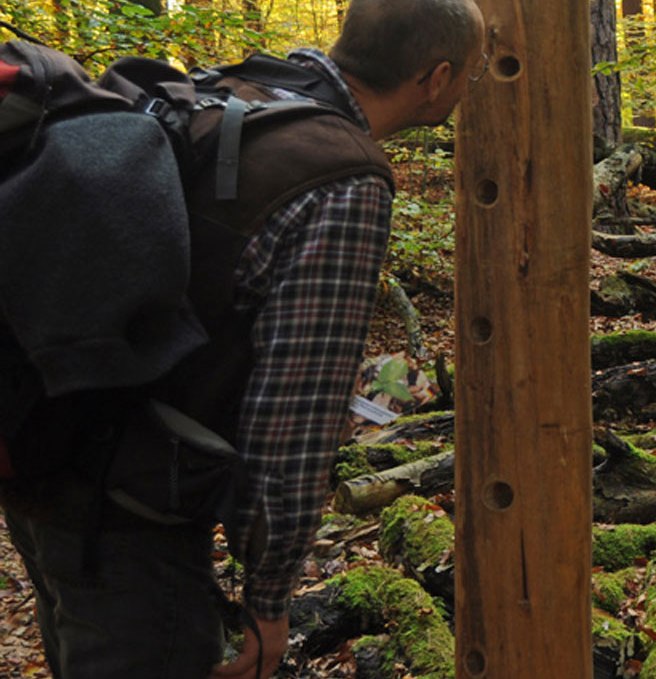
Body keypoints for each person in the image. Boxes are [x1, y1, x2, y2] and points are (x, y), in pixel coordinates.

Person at [0, 0, 485, 676]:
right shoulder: (344, 178)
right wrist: (269, 596)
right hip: (134, 517)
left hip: (46, 438)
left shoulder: (230, 88)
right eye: (470, 75)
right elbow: (294, 417)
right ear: (436, 77)